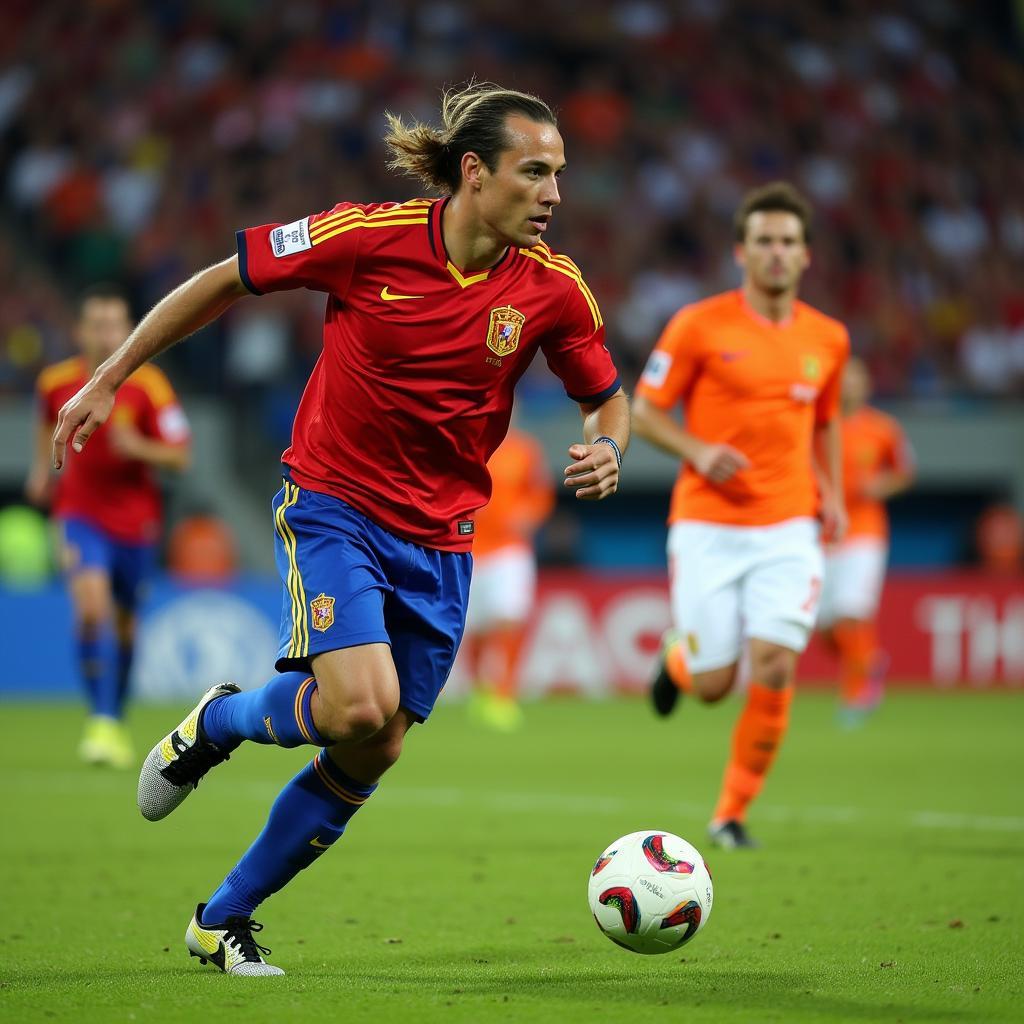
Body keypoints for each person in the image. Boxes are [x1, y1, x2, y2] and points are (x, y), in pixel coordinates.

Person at [51, 82, 628, 975]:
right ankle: (222, 725)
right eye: (536, 172)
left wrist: (608, 449)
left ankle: (221, 919)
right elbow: (222, 280)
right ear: (474, 172)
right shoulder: (366, 237)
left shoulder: (552, 289)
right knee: (357, 704)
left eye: (560, 174)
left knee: (378, 741)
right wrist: (111, 376)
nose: (555, 193)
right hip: (336, 506)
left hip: (444, 539)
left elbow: (606, 398)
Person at [632, 181, 848, 850]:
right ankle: (678, 662)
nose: (777, 253)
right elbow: (643, 411)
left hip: (789, 526)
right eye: (764, 242)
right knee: (715, 685)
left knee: (777, 663)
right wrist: (698, 449)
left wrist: (833, 493)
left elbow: (825, 422)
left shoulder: (829, 338)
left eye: (789, 242)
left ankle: (730, 813)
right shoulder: (699, 324)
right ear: (741, 252)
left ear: (807, 255)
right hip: (708, 527)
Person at [27, 284, 191, 768]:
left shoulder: (151, 386)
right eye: (96, 325)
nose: (105, 334)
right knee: (92, 610)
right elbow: (45, 424)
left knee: (123, 627)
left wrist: (136, 448)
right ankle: (100, 719)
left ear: (129, 329)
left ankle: (114, 716)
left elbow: (181, 456)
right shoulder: (55, 381)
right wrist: (42, 470)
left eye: (115, 325)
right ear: (80, 331)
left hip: (136, 524)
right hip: (79, 514)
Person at [817, 357, 914, 720]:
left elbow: (904, 471)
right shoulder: (818, 424)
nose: (848, 386)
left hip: (865, 532)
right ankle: (869, 661)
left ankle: (858, 694)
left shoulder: (883, 428)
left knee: (852, 612)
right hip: (822, 534)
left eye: (855, 379)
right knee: (827, 629)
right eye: (842, 379)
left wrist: (880, 486)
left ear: (867, 385)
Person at [462, 423, 555, 731]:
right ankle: (480, 691)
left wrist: (530, 514)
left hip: (510, 549)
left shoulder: (523, 449)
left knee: (511, 616)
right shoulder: (464, 444)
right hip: (468, 547)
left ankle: (504, 694)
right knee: (475, 626)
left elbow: (541, 492)